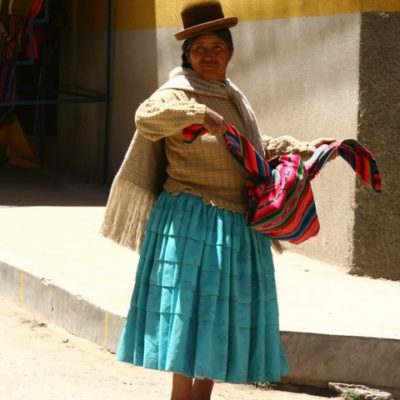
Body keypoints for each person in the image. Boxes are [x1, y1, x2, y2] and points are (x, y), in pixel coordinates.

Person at [101, 1, 334, 399]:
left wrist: (299, 148)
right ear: (186, 56)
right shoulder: (176, 93)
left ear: (230, 53)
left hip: (236, 227)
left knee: (217, 322)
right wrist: (198, 113)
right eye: (199, 49)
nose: (209, 56)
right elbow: (147, 118)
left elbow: (250, 149)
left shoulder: (233, 97)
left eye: (217, 48)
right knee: (187, 317)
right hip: (191, 221)